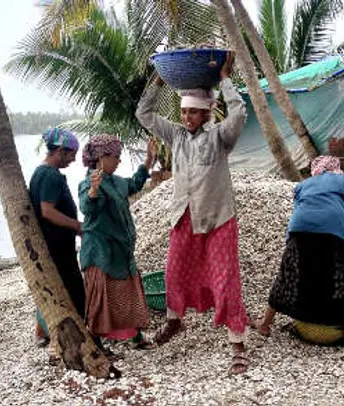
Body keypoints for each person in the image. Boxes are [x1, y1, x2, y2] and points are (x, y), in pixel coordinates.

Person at [135, 52, 252, 374]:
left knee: (226, 280)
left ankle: (237, 344)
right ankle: (175, 321)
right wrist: (158, 81)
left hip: (218, 219)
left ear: (206, 113)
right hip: (182, 217)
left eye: (193, 113)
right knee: (174, 272)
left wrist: (226, 78)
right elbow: (143, 113)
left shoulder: (220, 138)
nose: (186, 117)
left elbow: (239, 113)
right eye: (184, 111)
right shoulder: (175, 136)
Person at [249, 156, 344, 349]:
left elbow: (300, 212)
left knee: (287, 277)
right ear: (336, 169)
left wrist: (291, 249)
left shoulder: (303, 185)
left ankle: (265, 325)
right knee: (343, 281)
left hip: (299, 231)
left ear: (315, 170)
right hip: (335, 233)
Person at [78, 135, 158, 353]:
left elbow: (134, 185)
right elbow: (87, 207)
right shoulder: (88, 183)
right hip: (100, 253)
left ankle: (135, 335)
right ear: (101, 158)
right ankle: (95, 342)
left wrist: (149, 161)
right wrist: (93, 191)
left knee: (126, 295)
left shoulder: (115, 181)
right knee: (101, 300)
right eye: (116, 157)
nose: (119, 161)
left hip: (120, 252)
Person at [29, 127, 84, 349]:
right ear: (60, 151)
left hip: (55, 243)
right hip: (57, 246)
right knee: (74, 290)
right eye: (71, 154)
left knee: (57, 287)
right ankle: (78, 336)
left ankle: (44, 332)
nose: (73, 159)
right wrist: (77, 225)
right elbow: (47, 211)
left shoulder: (41, 172)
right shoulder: (50, 175)